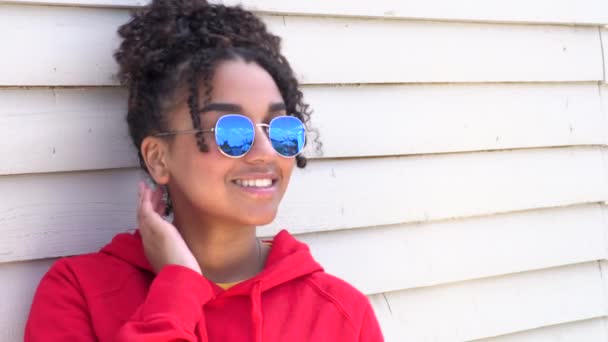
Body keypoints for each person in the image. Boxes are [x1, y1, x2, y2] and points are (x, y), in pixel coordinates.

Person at [25, 0, 384, 341]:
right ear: (158, 158)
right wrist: (176, 291)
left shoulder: (340, 313)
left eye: (281, 130)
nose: (265, 152)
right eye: (231, 131)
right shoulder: (80, 293)